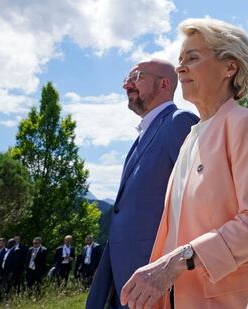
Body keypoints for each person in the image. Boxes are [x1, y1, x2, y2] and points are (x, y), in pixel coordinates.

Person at [120, 18, 248, 308]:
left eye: (192, 58)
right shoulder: (190, 138)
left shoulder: (246, 125)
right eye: (180, 59)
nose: (180, 67)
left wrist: (179, 260)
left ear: (230, 67)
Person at [87, 59, 198, 309]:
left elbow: (197, 202)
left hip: (157, 282)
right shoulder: (141, 138)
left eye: (137, 76)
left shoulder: (179, 122)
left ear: (164, 83)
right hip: (126, 281)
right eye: (127, 78)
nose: (127, 84)